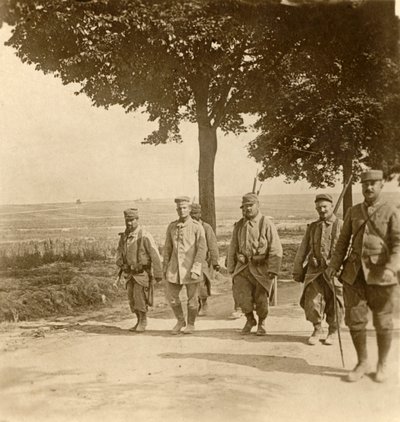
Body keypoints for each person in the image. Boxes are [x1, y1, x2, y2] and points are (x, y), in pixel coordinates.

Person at [326, 170, 400, 383]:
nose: (368, 188)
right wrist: (333, 266)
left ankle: (382, 364)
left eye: (373, 184)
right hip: (354, 274)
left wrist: (392, 267)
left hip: (381, 274)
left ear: (381, 185)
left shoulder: (391, 211)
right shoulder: (353, 211)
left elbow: (397, 244)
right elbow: (342, 242)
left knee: (383, 321)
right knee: (355, 320)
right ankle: (362, 362)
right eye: (365, 184)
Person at [227, 193, 283, 335]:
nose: (248, 209)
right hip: (243, 268)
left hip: (261, 269)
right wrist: (232, 266)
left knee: (261, 299)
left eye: (250, 206)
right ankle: (250, 319)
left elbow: (275, 247)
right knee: (242, 297)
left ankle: (262, 322)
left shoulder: (266, 223)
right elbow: (233, 246)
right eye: (245, 206)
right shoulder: (239, 224)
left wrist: (273, 269)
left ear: (258, 205)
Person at [293, 194, 344, 345]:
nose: (322, 210)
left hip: (335, 271)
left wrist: (334, 263)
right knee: (312, 300)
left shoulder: (341, 225)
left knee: (336, 302)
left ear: (331, 206)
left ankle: (333, 331)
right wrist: (298, 269)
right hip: (314, 271)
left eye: (324, 207)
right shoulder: (313, 227)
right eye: (318, 208)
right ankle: (317, 328)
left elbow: (347, 248)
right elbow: (303, 249)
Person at [163, 196, 207, 334]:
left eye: (184, 208)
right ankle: (180, 320)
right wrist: (165, 267)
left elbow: (201, 249)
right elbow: (167, 249)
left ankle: (191, 324)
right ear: (176, 210)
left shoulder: (197, 227)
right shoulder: (172, 227)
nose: (182, 210)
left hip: (191, 269)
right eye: (179, 208)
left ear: (189, 209)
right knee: (172, 297)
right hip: (175, 270)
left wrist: (196, 268)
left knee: (192, 301)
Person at [116, 208, 163, 332]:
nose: (129, 223)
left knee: (140, 298)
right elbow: (119, 252)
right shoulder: (124, 237)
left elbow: (155, 255)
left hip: (142, 274)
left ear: (137, 219)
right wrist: (120, 262)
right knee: (132, 299)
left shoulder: (145, 235)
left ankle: (143, 320)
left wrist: (158, 274)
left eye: (132, 220)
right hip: (129, 274)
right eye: (127, 220)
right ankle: (138, 321)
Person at [190, 203, 220, 316]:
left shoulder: (206, 227)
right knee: (192, 285)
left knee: (202, 283)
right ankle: (196, 304)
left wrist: (215, 262)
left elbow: (212, 245)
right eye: (191, 214)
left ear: (200, 214)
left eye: (196, 213)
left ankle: (204, 302)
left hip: (202, 261)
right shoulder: (187, 228)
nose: (193, 216)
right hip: (189, 261)